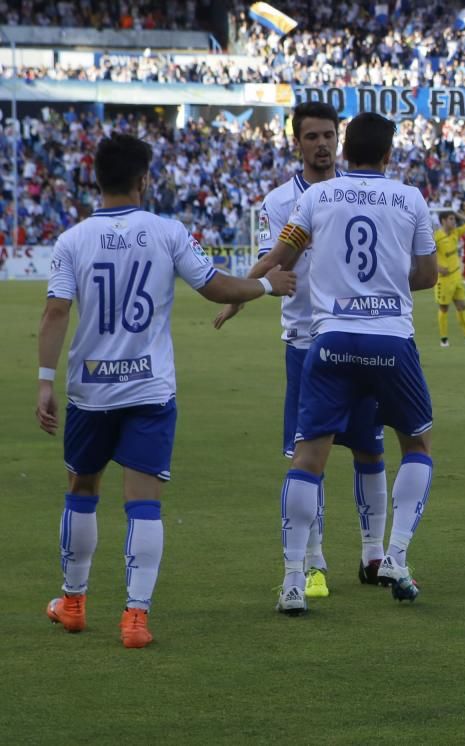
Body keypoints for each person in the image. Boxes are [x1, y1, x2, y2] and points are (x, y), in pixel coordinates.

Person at [37, 134, 295, 647]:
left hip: (90, 390)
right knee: (144, 503)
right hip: (149, 388)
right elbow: (215, 286)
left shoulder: (71, 240)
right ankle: (135, 618)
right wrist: (268, 285)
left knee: (82, 491)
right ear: (144, 179)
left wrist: (46, 383)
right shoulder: (167, 231)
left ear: (96, 179)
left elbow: (55, 313)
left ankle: (73, 602)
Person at [257, 112, 438, 615]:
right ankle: (395, 557)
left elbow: (282, 260)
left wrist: (242, 293)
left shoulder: (314, 198)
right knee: (416, 443)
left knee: (307, 457)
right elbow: (427, 276)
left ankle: (295, 579)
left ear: (345, 148)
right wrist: (388, 281)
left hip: (330, 340)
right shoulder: (409, 198)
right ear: (387, 154)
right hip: (390, 341)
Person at [212, 101, 391, 598]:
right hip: (306, 342)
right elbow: (276, 261)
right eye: (311, 136)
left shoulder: (358, 193)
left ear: (341, 139)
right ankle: (312, 563)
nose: (321, 144)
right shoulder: (279, 202)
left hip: (361, 335)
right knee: (307, 457)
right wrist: (241, 296)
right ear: (297, 143)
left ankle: (373, 552)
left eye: (328, 135)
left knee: (370, 448)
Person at [433, 211, 465, 348]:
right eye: (451, 219)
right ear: (443, 221)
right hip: (443, 279)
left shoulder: (456, 232)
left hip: (456, 277)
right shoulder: (436, 237)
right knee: (444, 308)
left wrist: (457, 213)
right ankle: (444, 339)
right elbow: (427, 255)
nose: (454, 221)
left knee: (462, 305)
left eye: (454, 219)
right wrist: (438, 268)